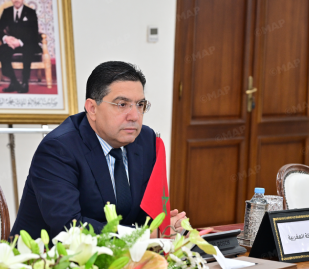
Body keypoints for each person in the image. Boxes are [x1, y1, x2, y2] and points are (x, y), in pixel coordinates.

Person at [10, 61, 186, 239]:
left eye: (140, 105)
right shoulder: (58, 149)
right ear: (92, 108)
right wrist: (143, 236)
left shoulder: (145, 140)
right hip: (50, 259)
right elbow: (70, 228)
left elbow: (146, 214)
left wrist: (165, 227)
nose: (134, 116)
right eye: (122, 104)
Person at [0, 0, 41, 93]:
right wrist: (6, 38)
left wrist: (19, 42)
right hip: (12, 43)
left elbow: (34, 32)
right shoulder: (7, 12)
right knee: (2, 50)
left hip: (28, 42)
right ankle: (14, 82)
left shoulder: (31, 12)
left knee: (28, 50)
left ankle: (25, 82)